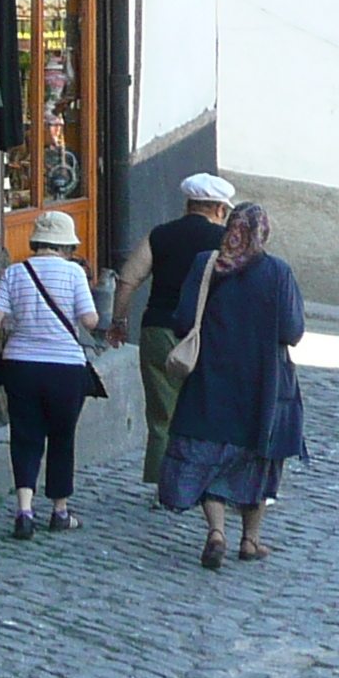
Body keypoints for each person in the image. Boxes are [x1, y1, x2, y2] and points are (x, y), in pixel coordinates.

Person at [160, 203, 306, 568]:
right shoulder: (277, 271)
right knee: (259, 456)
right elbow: (292, 331)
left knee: (209, 456)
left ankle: (216, 532)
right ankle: (250, 540)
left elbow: (182, 319)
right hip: (263, 381)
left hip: (210, 375)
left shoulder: (208, 265)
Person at [0, 208, 101, 540]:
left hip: (20, 365)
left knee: (25, 436)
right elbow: (90, 321)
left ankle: (24, 510)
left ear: (37, 241)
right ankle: (60, 511)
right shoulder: (75, 274)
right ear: (66, 245)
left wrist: (17, 322)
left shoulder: (14, 272)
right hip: (65, 368)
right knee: (62, 438)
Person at [109, 174, 232, 487]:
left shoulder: (160, 235)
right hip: (205, 336)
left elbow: (128, 279)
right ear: (219, 209)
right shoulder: (224, 242)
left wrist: (119, 321)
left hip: (159, 329)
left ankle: (163, 486)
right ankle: (200, 484)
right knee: (207, 413)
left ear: (187, 205)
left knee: (163, 416)